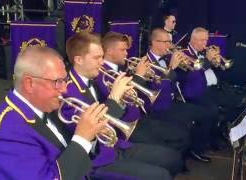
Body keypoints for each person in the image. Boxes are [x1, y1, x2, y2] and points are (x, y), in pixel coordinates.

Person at [0, 46, 109, 179]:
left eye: (65, 80)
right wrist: (82, 138)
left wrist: (91, 135)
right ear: (30, 84)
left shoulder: (47, 108)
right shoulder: (6, 133)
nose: (65, 89)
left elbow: (73, 157)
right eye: (58, 81)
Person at [63, 31, 182, 179]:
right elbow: (94, 133)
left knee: (172, 158)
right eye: (97, 58)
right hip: (98, 160)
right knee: (162, 175)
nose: (102, 62)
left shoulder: (94, 78)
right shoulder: (68, 91)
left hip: (115, 145)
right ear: (79, 60)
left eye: (102, 56)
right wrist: (115, 98)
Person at [99, 31, 191, 170]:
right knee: (167, 150)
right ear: (110, 52)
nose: (126, 53)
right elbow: (124, 101)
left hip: (139, 118)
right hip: (127, 127)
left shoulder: (121, 67)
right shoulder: (103, 74)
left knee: (180, 136)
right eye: (123, 50)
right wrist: (139, 77)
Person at [144, 28, 218, 162]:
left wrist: (178, 66)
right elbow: (159, 89)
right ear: (155, 42)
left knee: (207, 113)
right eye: (166, 42)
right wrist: (171, 69)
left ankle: (193, 150)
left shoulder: (166, 57)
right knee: (196, 119)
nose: (169, 46)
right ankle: (182, 156)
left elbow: (180, 78)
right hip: (160, 107)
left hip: (174, 101)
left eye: (169, 42)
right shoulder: (146, 62)